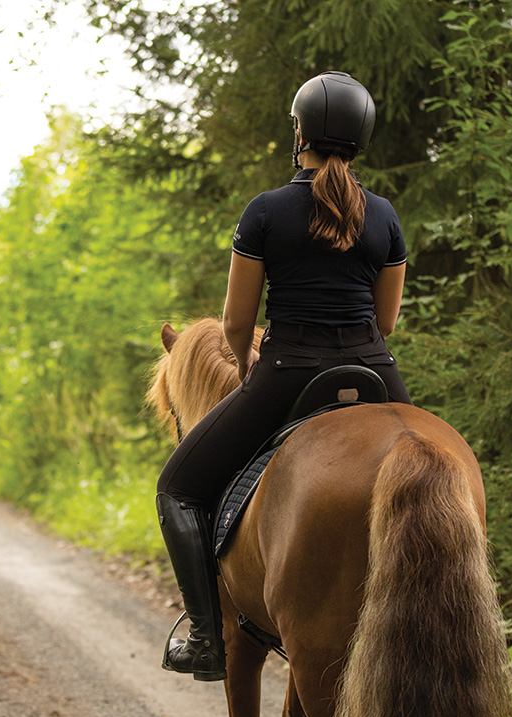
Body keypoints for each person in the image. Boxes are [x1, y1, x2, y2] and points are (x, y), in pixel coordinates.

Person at [155, 71, 413, 681]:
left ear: (298, 131)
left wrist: (245, 362)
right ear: (361, 138)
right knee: (442, 478)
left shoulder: (265, 212)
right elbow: (387, 320)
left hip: (288, 373)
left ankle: (205, 639)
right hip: (375, 371)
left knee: (179, 489)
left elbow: (236, 322)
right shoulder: (384, 216)